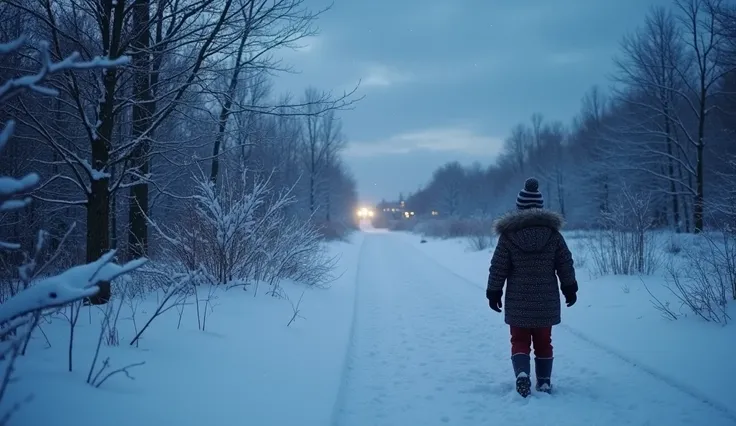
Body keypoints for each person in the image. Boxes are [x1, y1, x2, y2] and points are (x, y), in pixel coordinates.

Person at [485, 177, 578, 398]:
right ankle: (544, 382)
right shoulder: (553, 235)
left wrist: (494, 292)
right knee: (544, 341)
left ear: (519, 208)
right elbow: (565, 262)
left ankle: (522, 375)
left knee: (519, 340)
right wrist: (570, 287)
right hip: (545, 301)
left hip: (518, 301)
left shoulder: (508, 236)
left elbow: (498, 266)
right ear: (540, 207)